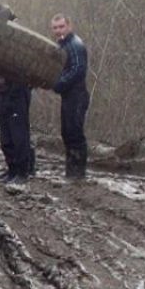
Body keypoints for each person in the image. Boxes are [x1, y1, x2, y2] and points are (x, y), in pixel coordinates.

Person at [51, 13, 89, 178]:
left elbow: (78, 69)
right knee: (67, 132)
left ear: (69, 26)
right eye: (55, 28)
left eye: (61, 27)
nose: (59, 31)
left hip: (77, 95)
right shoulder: (64, 44)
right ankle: (72, 171)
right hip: (69, 95)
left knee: (74, 132)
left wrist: (59, 83)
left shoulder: (75, 45)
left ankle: (78, 173)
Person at [0, 75, 33, 182]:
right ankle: (12, 170)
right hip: (3, 96)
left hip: (17, 97)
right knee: (6, 139)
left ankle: (22, 172)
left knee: (19, 138)